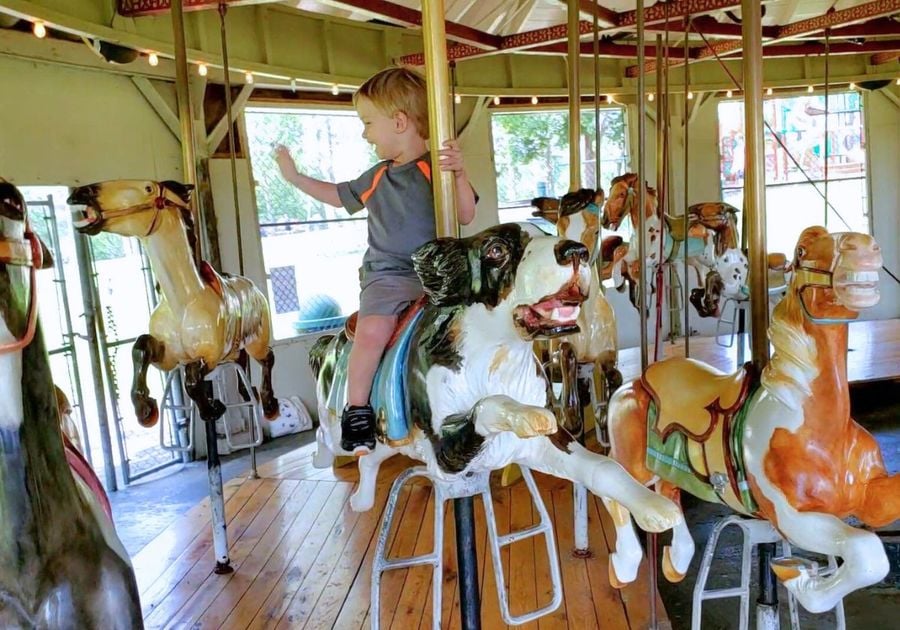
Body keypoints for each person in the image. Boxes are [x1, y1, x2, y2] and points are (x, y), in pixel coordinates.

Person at [274, 66, 476, 455]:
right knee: (371, 334)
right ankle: (358, 411)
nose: (365, 133)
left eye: (368, 123)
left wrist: (460, 175)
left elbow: (464, 214)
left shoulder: (434, 169)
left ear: (399, 122)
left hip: (440, 275)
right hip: (389, 277)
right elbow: (337, 195)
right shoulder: (377, 176)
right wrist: (296, 178)